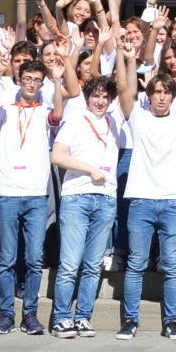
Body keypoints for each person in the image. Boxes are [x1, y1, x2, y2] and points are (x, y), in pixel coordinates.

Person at [116, 8, 176, 339]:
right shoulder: (139, 117)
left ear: (173, 96)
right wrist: (130, 59)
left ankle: (171, 320)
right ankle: (130, 320)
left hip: (173, 202)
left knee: (171, 265)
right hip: (141, 202)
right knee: (136, 264)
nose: (161, 97)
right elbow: (124, 91)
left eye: (166, 93)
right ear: (149, 96)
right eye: (156, 93)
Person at [0, 55, 60, 335]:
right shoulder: (6, 110)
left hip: (36, 193)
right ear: (18, 80)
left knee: (34, 258)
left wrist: (59, 79)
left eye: (37, 80)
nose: (31, 84)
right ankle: (5, 313)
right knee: (6, 258)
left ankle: (30, 313)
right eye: (26, 78)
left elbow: (59, 116)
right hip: (7, 191)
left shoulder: (44, 111)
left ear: (42, 84)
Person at [49, 72, 121, 337]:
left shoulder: (115, 122)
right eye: (95, 96)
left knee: (93, 265)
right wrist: (90, 169)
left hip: (106, 198)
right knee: (70, 263)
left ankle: (83, 317)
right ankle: (61, 317)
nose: (100, 101)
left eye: (105, 96)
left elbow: (127, 88)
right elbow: (57, 156)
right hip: (77, 196)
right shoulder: (75, 121)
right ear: (87, 97)